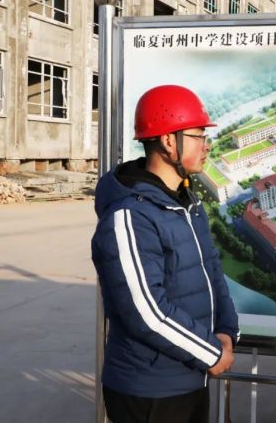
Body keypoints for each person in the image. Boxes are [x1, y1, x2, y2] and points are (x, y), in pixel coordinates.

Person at [92, 85, 239, 423]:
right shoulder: (130, 216)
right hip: (149, 391)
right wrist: (211, 352)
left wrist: (227, 332)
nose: (207, 145)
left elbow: (212, 271)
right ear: (169, 141)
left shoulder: (188, 205)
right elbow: (145, 311)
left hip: (191, 376)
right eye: (198, 135)